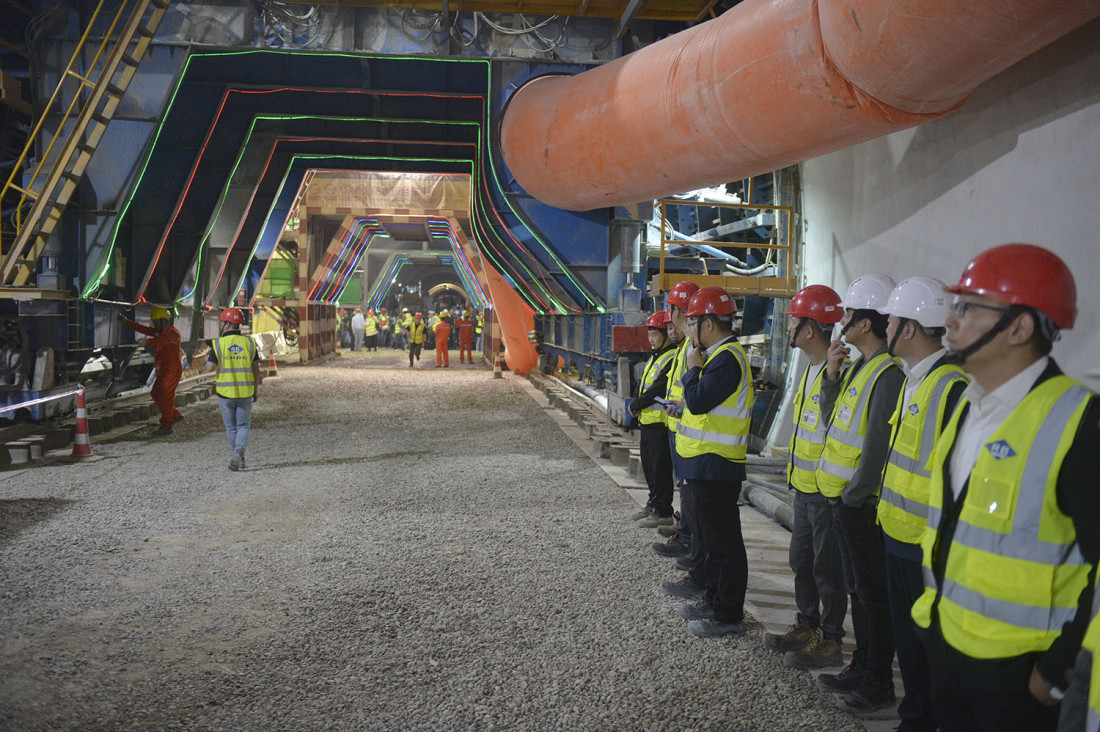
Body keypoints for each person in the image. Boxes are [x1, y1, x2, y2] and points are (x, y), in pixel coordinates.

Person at [909, 244, 1099, 732]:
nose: (951, 321)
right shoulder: (966, 405)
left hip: (1022, 674)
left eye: (968, 308)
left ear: (1019, 327)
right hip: (948, 646)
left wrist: (1057, 672)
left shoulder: (1081, 422)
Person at [877, 277, 970, 730]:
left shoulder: (951, 387)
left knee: (927, 646)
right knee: (908, 644)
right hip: (897, 533)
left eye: (891, 320)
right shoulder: (916, 381)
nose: (885, 325)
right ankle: (913, 717)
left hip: (924, 545)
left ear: (909, 329)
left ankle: (922, 721)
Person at [815, 274, 905, 711]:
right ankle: (861, 665)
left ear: (866, 324)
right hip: (844, 501)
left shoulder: (888, 375)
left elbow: (875, 449)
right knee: (858, 590)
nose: (842, 321)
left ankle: (878, 682)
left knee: (872, 596)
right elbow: (835, 422)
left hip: (861, 506)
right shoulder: (859, 368)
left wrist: (853, 497)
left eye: (848, 315)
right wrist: (832, 374)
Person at [764, 285, 848, 671]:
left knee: (827, 570)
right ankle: (806, 625)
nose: (790, 329)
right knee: (802, 562)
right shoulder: (812, 369)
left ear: (810, 330)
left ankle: (831, 640)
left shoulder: (840, 373)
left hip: (827, 493)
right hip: (804, 488)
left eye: (794, 322)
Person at [668, 286, 754, 639]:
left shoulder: (727, 358)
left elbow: (700, 401)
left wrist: (691, 370)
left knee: (724, 545)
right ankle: (715, 598)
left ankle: (727, 614)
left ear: (707, 324)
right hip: (705, 462)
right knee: (712, 541)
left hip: (716, 465)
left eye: (693, 323)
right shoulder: (717, 356)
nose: (689, 331)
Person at [652, 280, 700, 566]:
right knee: (684, 486)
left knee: (689, 487)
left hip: (688, 427)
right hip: (678, 422)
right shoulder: (685, 346)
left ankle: (687, 537)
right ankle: (684, 529)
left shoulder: (693, 347)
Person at [627, 310, 678, 528]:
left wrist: (636, 405)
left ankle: (663, 511)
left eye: (655, 335)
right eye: (649, 335)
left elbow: (658, 389)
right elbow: (643, 386)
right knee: (649, 469)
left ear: (666, 334)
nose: (651, 339)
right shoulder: (656, 357)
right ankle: (653, 504)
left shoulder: (671, 357)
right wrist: (636, 407)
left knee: (660, 471)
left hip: (659, 424)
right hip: (647, 422)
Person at [203, 307, 263, 471]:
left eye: (223, 323)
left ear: (227, 324)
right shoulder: (249, 343)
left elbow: (209, 368)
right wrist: (256, 389)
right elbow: (256, 369)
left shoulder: (218, 344)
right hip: (245, 392)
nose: (222, 325)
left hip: (225, 394)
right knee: (243, 426)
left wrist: (208, 358)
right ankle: (239, 456)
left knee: (231, 428)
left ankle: (238, 457)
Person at [119, 306, 183, 436]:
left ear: (163, 321)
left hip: (171, 372)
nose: (154, 324)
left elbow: (164, 341)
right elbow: (144, 329)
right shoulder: (161, 332)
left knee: (166, 398)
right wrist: (126, 322)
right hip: (164, 371)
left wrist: (147, 341)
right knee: (156, 393)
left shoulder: (173, 333)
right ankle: (174, 415)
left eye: (156, 322)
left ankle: (166, 426)